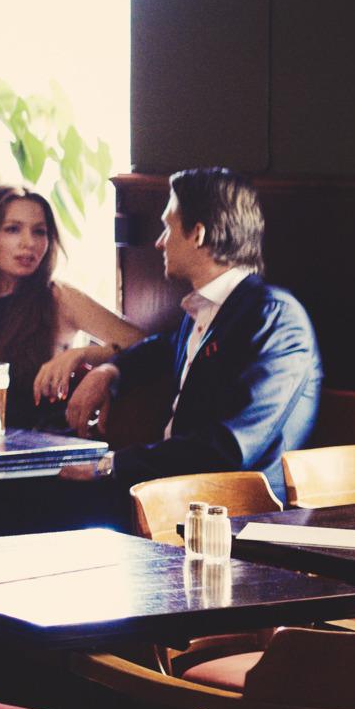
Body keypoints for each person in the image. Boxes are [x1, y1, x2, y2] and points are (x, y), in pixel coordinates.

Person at [62, 167, 322, 495]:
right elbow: (165, 348)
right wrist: (110, 371)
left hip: (242, 512)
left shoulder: (275, 317)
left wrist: (114, 465)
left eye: (167, 228)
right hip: (179, 496)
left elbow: (231, 447)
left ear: (197, 234)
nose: (158, 243)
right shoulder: (206, 311)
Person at [0, 185, 141, 429]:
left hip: (39, 449)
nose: (29, 243)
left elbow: (141, 343)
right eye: (13, 229)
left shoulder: (59, 298)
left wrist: (82, 355)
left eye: (39, 232)